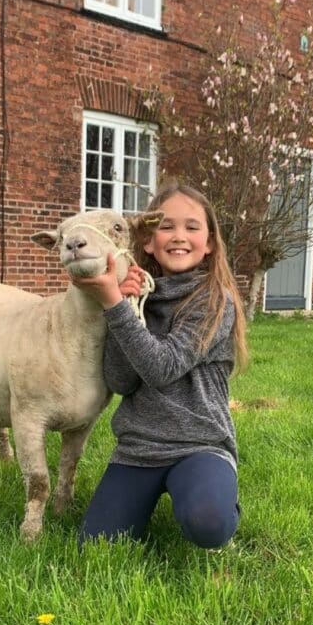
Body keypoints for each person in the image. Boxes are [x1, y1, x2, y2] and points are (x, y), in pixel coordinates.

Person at [72, 179, 248, 550]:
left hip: (199, 444)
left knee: (208, 524)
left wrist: (114, 306)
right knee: (99, 544)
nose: (178, 235)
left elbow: (162, 368)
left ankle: (214, 496)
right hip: (140, 447)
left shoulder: (216, 303)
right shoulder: (137, 298)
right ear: (148, 242)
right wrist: (124, 305)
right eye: (166, 226)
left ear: (210, 243)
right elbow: (120, 381)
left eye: (192, 226)